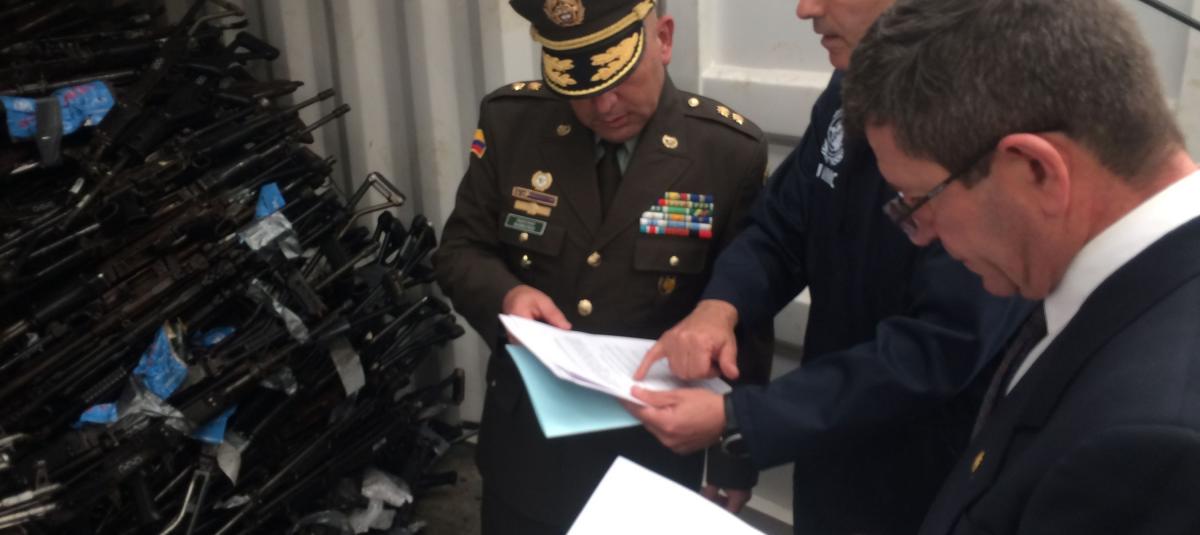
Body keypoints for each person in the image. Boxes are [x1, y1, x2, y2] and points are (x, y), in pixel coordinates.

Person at [624, 1, 1025, 533]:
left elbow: (939, 347)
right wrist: (721, 305)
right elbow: (783, 225)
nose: (805, 9)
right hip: (829, 462)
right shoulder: (848, 87)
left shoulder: (988, 112)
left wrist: (741, 420)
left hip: (929, 482)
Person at [840, 0, 1200, 532]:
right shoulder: (1121, 295)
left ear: (1035, 170)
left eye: (920, 200)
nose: (923, 234)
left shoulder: (1154, 444)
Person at [432, 1, 774, 533]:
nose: (603, 104)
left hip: (651, 459)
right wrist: (507, 296)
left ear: (663, 39)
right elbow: (461, 250)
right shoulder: (513, 123)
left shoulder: (726, 152)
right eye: (579, 86)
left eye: (619, 77)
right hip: (528, 452)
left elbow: (743, 315)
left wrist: (734, 451)